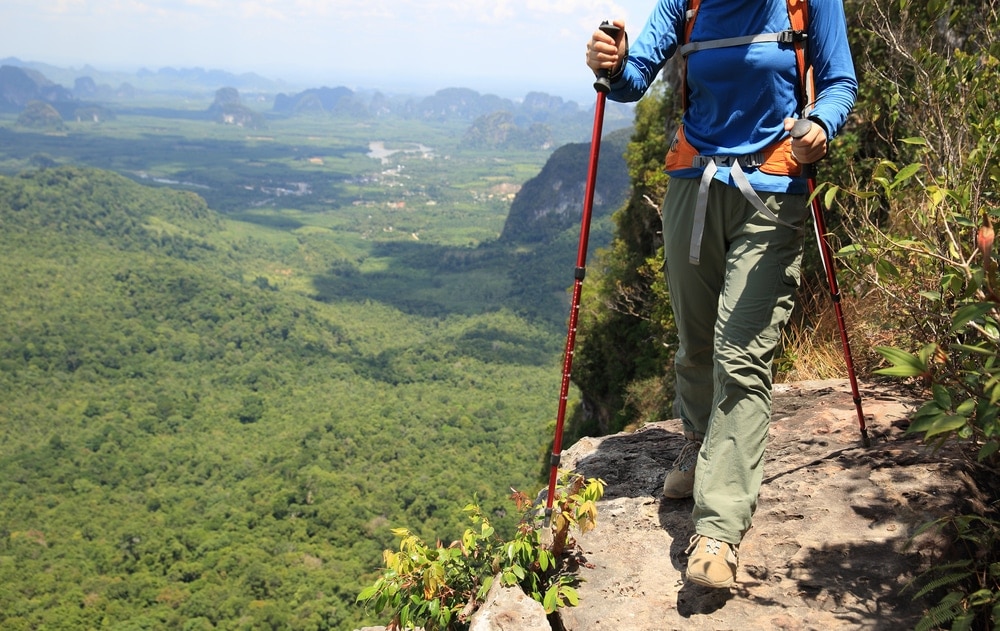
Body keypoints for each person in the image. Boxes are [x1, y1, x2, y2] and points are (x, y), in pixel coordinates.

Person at [585, 0, 857, 589]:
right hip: (694, 183)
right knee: (695, 340)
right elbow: (633, 81)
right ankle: (699, 438)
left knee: (741, 352)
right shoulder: (685, 4)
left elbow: (839, 84)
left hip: (773, 188)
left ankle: (718, 528)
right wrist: (610, 61)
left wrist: (820, 127)